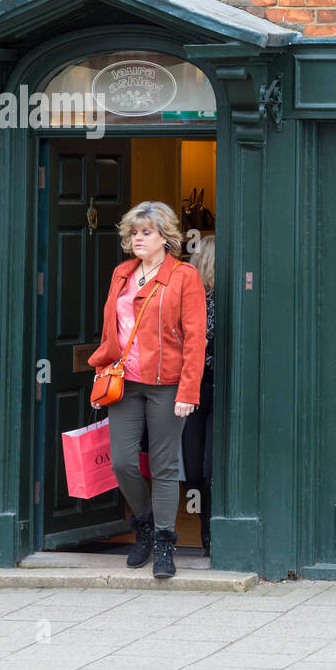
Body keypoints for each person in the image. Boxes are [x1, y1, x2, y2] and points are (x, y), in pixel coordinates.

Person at [88, 201, 207, 579]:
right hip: (123, 382)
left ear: (165, 238)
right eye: (134, 233)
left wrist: (188, 391)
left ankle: (164, 544)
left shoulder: (184, 276)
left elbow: (195, 338)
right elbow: (113, 328)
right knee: (122, 462)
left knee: (165, 466)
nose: (138, 239)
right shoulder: (122, 273)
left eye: (146, 233)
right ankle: (143, 522)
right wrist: (102, 365)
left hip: (167, 386)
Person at [181, 234, 215, 556]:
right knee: (195, 468)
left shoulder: (218, 300)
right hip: (194, 388)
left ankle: (211, 538)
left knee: (206, 467)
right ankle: (205, 534)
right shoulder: (190, 301)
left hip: (213, 388)